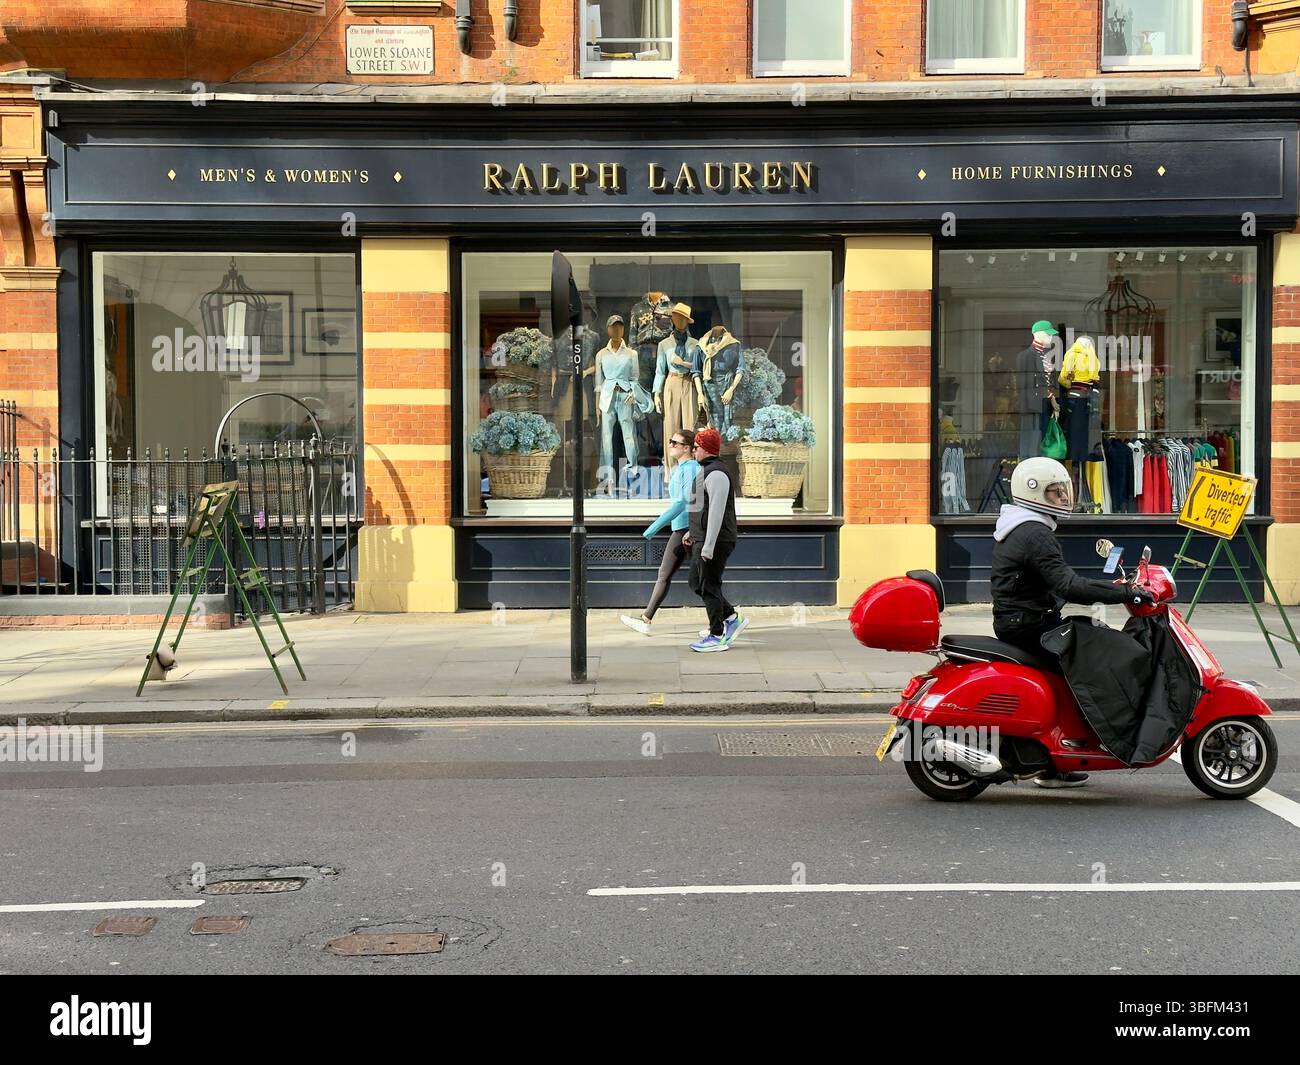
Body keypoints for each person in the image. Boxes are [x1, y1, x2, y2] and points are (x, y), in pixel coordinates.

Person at [991, 456, 1153, 788]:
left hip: (1025, 620)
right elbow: (1067, 584)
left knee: (1082, 653)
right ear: (1033, 493)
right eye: (1056, 492)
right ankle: (1074, 752)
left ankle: (1056, 760)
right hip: (1029, 626)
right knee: (1101, 658)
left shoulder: (1026, 527)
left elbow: (1058, 582)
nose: (1065, 498)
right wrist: (1126, 594)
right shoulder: (1035, 534)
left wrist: (1113, 588)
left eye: (1065, 491)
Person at [619, 429, 699, 636]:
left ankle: (728, 618)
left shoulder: (689, 468)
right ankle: (646, 618)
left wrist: (653, 528)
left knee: (701, 580)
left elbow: (682, 502)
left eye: (675, 442)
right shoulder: (683, 467)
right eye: (670, 441)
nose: (670, 444)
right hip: (683, 528)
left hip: (687, 529)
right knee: (671, 575)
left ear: (687, 448)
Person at [685, 427, 747, 652]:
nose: (693, 451)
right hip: (701, 538)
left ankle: (717, 635)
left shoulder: (717, 474)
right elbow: (701, 509)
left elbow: (716, 513)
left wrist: (708, 546)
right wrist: (691, 532)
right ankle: (731, 617)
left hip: (716, 540)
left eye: (696, 447)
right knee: (695, 582)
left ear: (707, 449)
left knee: (709, 585)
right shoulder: (705, 470)